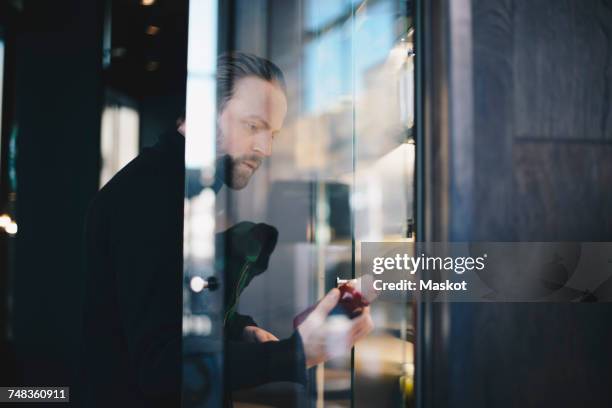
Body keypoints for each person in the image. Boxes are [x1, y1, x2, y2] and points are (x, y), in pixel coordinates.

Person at [78, 52, 373, 407]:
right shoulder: (150, 196)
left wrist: (238, 330)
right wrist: (293, 355)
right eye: (252, 126)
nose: (265, 148)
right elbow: (158, 367)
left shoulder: (181, 189)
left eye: (272, 134)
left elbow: (169, 316)